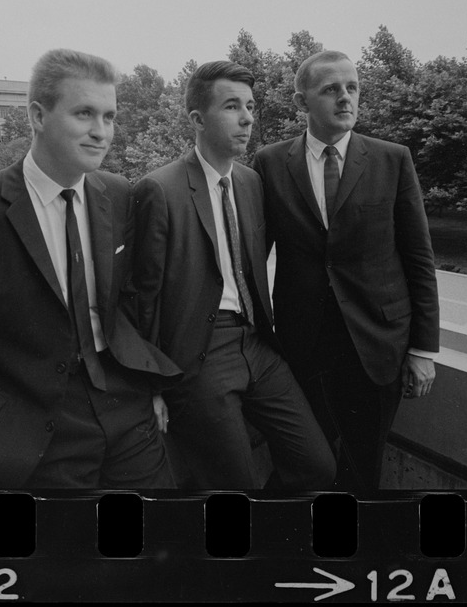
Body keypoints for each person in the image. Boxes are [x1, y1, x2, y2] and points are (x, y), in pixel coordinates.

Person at [0, 48, 182, 489]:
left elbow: (129, 302)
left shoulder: (119, 193)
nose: (101, 132)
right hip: (33, 433)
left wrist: (149, 388)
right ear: (37, 115)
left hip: (127, 412)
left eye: (109, 117)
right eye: (84, 113)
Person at [132, 61, 336, 491]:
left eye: (250, 106)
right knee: (235, 484)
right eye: (231, 106)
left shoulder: (250, 182)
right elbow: (142, 298)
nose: (247, 118)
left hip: (258, 344)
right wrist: (151, 386)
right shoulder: (159, 189)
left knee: (319, 465)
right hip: (199, 356)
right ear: (197, 119)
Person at [252, 50, 439, 492]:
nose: (346, 98)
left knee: (362, 468)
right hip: (303, 348)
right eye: (331, 89)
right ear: (301, 102)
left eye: (352, 87)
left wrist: (424, 350)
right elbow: (252, 257)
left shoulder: (393, 159)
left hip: (377, 348)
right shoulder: (270, 162)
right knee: (302, 465)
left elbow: (419, 258)